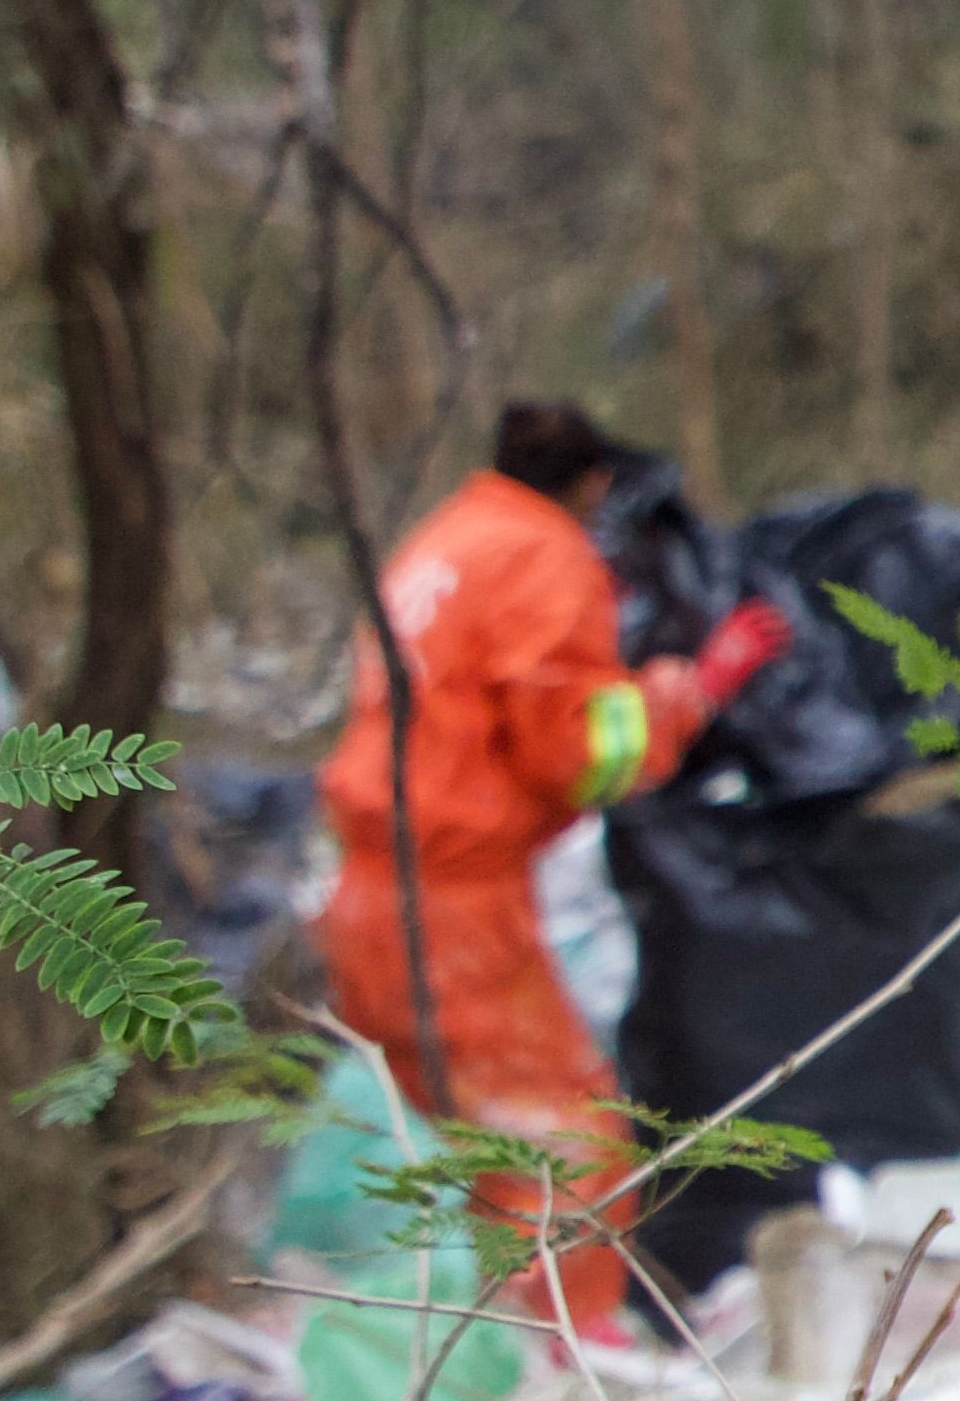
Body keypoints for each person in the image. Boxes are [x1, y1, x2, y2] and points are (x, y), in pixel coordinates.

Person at [310, 399, 793, 1332]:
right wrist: (686, 693)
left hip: (366, 893)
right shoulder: (543, 557)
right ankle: (565, 1379)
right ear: (595, 483)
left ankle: (502, 1355)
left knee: (492, 1155)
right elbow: (579, 750)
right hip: (450, 905)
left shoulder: (450, 539)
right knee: (565, 1149)